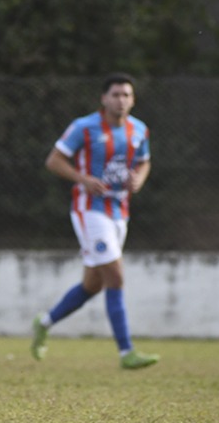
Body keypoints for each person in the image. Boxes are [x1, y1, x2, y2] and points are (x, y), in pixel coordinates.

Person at [29, 73, 159, 369]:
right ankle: (127, 352)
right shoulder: (84, 128)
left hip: (119, 212)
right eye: (115, 94)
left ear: (133, 99)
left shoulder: (138, 130)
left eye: (126, 95)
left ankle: (45, 323)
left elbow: (144, 161)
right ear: (104, 99)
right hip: (90, 211)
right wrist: (82, 179)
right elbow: (54, 160)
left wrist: (139, 178)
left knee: (93, 284)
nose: (121, 100)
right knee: (116, 276)